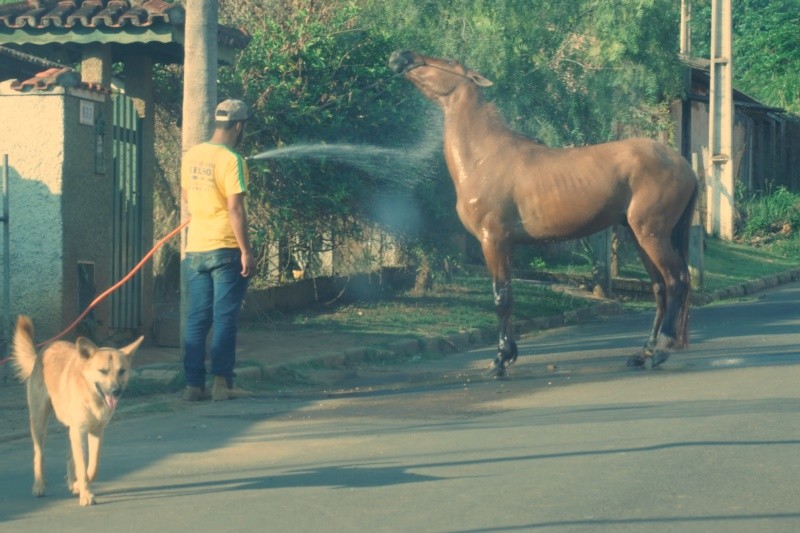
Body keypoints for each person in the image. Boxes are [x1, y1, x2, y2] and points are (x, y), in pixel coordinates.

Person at [180, 99, 257, 401]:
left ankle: (192, 386)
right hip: (225, 248)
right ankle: (223, 384)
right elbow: (235, 209)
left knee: (197, 319)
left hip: (196, 248)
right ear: (239, 126)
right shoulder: (232, 160)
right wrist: (246, 251)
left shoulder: (192, 155)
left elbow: (187, 197)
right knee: (224, 319)